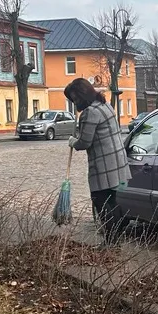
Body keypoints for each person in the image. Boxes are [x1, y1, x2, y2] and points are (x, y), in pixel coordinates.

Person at [65, 78, 131, 247]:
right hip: (118, 161)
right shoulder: (105, 105)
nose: (75, 102)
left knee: (100, 200)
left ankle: (111, 241)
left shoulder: (89, 113)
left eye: (75, 98)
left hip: (104, 164)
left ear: (83, 95)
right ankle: (115, 239)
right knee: (111, 200)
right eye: (72, 100)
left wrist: (73, 141)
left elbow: (84, 142)